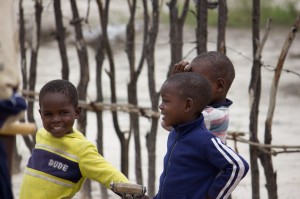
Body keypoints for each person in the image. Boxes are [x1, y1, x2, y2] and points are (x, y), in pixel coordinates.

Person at [19, 79, 130, 198]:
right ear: (41, 114)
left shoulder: (82, 150)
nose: (56, 119)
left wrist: (132, 192)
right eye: (48, 114)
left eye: (63, 113)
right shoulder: (41, 135)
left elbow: (108, 174)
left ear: (77, 112)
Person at [154, 72, 249, 199]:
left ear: (188, 105)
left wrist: (213, 195)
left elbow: (239, 166)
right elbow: (172, 181)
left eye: (165, 101)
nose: (161, 106)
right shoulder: (175, 134)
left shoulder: (204, 140)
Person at [164, 51, 235, 143]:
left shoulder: (209, 115)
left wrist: (176, 85)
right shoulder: (217, 110)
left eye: (197, 82)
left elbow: (167, 123)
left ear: (219, 86)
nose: (189, 86)